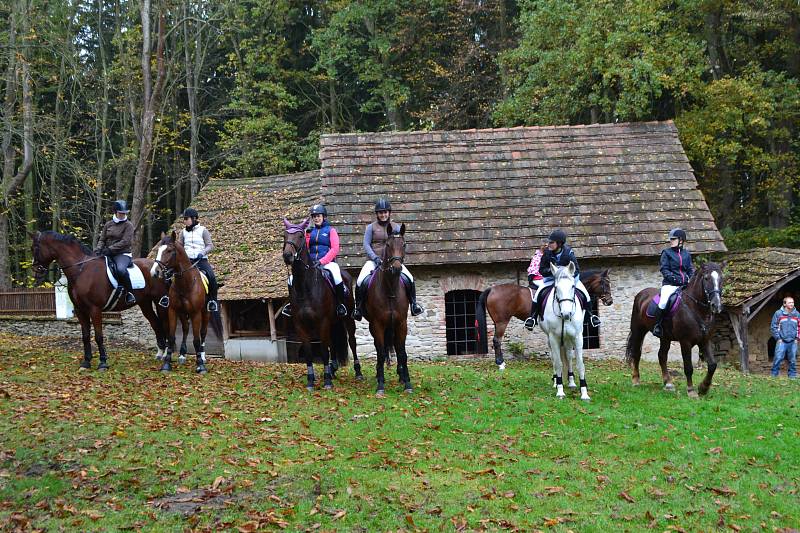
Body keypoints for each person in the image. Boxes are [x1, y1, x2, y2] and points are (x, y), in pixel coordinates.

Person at [352, 198, 424, 321]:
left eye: (385, 212)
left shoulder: (396, 227)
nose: (383, 215)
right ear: (377, 214)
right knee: (360, 281)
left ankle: (414, 305)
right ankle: (358, 308)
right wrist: (375, 258)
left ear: (389, 213)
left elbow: (400, 244)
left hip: (392, 261)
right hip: (374, 260)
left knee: (410, 278)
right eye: (381, 212)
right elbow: (366, 244)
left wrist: (398, 259)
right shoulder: (371, 228)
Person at [284, 204, 348, 318]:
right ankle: (291, 304)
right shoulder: (309, 232)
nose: (316, 218)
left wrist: (323, 261)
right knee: (291, 279)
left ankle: (340, 304)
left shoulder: (331, 230)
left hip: (328, 263)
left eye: (318, 216)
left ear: (324, 217)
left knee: (337, 276)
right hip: (311, 263)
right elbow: (304, 248)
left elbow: (335, 249)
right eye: (314, 216)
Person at [524, 230, 589, 331]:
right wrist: (552, 271)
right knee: (538, 294)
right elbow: (541, 270)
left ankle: (592, 316)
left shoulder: (569, 253)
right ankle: (532, 318)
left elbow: (576, 269)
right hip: (551, 278)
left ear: (559, 243)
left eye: (551, 242)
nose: (548, 244)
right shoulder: (547, 253)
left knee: (585, 293)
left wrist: (566, 274)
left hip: (569, 279)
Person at [173, 207, 219, 312]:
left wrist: (202, 253)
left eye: (186, 218)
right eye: (184, 219)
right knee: (172, 277)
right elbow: (180, 246)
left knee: (211, 277)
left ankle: (212, 301)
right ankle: (168, 298)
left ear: (194, 218)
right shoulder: (183, 232)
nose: (184, 221)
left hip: (201, 260)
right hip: (188, 261)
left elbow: (210, 245)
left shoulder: (203, 230)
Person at [652, 228, 693, 338]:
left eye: (673, 239)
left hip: (684, 285)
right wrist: (675, 279)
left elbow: (690, 270)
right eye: (671, 239)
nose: (671, 241)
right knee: (663, 302)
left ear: (681, 240)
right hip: (670, 285)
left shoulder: (686, 254)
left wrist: (691, 279)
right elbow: (664, 270)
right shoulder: (666, 253)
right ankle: (658, 325)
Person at [95, 200, 136, 305]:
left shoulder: (129, 225)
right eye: (121, 213)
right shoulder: (108, 224)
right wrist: (98, 249)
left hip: (122, 254)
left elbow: (125, 242)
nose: (123, 215)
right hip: (106, 253)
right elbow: (102, 239)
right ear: (115, 212)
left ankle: (130, 293)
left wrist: (109, 249)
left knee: (121, 270)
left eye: (125, 213)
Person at [770, 296, 799, 379]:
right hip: (781, 341)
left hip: (793, 341)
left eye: (793, 302)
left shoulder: (797, 314)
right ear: (784, 304)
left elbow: (799, 327)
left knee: (792, 360)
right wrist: (778, 338)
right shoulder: (778, 313)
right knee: (778, 358)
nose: (792, 304)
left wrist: (797, 338)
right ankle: (774, 375)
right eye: (790, 302)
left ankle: (792, 376)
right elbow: (773, 327)